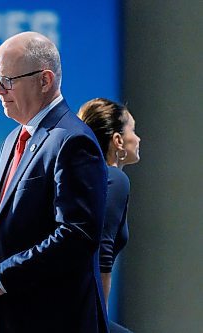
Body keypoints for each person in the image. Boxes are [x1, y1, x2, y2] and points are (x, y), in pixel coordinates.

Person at [0, 31, 109, 332]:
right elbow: (8, 224)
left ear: (44, 80)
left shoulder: (73, 140)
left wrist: (3, 276)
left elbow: (77, 236)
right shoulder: (13, 139)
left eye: (7, 80)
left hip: (54, 320)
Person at [78, 98, 141, 333]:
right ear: (117, 140)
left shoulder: (90, 179)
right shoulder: (114, 180)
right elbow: (101, 253)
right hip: (81, 313)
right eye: (132, 130)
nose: (138, 138)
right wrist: (98, 324)